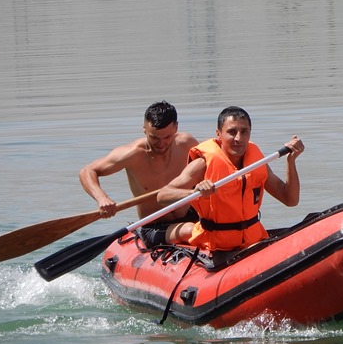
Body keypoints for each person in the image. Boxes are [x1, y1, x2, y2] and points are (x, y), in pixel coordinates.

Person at [152, 106, 305, 252]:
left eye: (244, 131)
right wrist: (195, 192)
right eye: (232, 132)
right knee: (188, 229)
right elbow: (162, 195)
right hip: (215, 244)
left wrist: (291, 162)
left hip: (253, 240)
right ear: (218, 134)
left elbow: (290, 200)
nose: (238, 138)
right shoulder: (203, 164)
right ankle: (157, 234)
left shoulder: (257, 163)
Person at [79, 101, 200, 220]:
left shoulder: (187, 144)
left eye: (167, 137)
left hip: (191, 214)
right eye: (154, 137)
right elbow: (87, 171)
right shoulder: (132, 154)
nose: (161, 144)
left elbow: (211, 163)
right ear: (144, 129)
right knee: (189, 230)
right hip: (155, 224)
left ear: (176, 128)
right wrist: (101, 198)